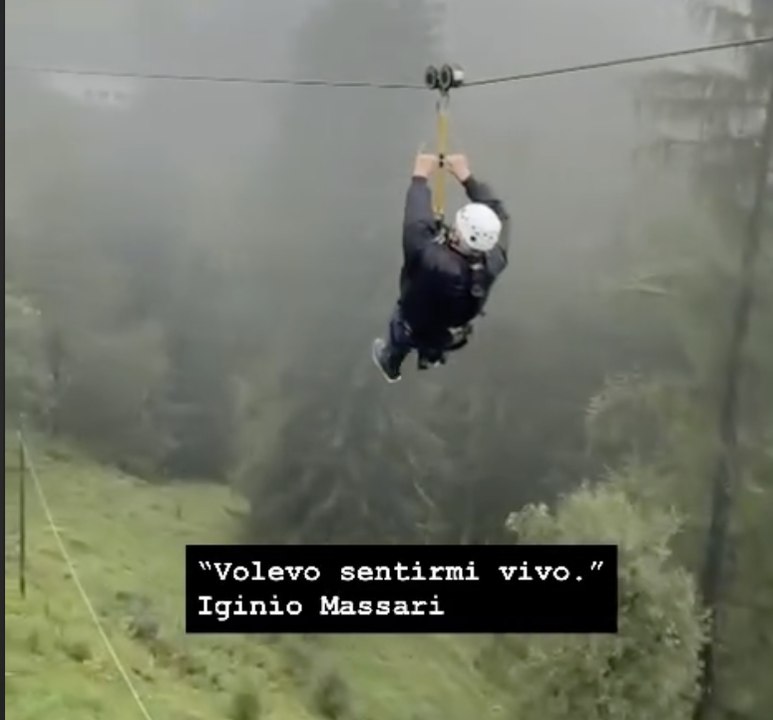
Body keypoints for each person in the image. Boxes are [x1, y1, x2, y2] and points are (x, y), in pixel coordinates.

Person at [372, 152, 510, 383]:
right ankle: (431, 357)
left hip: (412, 322)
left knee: (400, 337)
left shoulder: (427, 256)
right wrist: (467, 177)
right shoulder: (494, 260)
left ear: (457, 233)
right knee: (436, 340)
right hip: (449, 329)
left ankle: (391, 364)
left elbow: (416, 222)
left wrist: (420, 177)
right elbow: (501, 214)